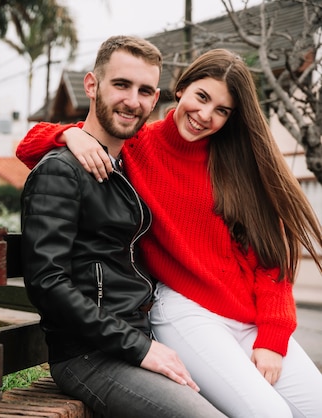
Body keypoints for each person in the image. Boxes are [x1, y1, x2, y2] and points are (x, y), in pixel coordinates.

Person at [17, 48, 322, 418]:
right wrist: (69, 135)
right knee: (271, 414)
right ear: (180, 90)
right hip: (186, 312)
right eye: (202, 97)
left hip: (250, 317)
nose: (205, 115)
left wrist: (273, 336)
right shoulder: (136, 145)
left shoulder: (238, 166)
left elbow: (272, 258)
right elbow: (30, 145)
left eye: (222, 111)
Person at [21, 35, 227, 418]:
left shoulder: (130, 167)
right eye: (121, 85)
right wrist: (141, 348)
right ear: (92, 85)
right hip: (89, 356)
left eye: (145, 90)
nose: (133, 101)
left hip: (138, 338)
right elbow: (47, 283)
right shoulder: (61, 172)